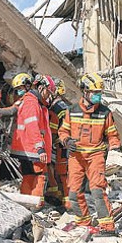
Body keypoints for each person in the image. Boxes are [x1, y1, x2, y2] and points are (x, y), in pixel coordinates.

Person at [58, 73, 120, 235]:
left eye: (100, 92)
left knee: (98, 190)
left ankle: (108, 227)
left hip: (96, 155)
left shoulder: (105, 113)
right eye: (95, 92)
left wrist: (115, 149)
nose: (98, 96)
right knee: (73, 193)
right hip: (76, 156)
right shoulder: (71, 111)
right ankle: (83, 221)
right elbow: (63, 131)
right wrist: (66, 141)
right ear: (85, 91)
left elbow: (112, 135)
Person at [10, 74, 56, 201]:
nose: (49, 96)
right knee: (39, 176)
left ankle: (26, 204)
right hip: (34, 149)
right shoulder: (32, 102)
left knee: (28, 176)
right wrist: (40, 148)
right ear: (41, 88)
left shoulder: (33, 102)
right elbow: (33, 126)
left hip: (28, 148)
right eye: (48, 92)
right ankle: (35, 205)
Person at [45, 78, 70, 206]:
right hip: (69, 144)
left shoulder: (55, 109)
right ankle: (62, 197)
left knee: (61, 173)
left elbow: (53, 131)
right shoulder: (66, 106)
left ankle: (65, 202)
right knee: (65, 172)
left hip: (61, 145)